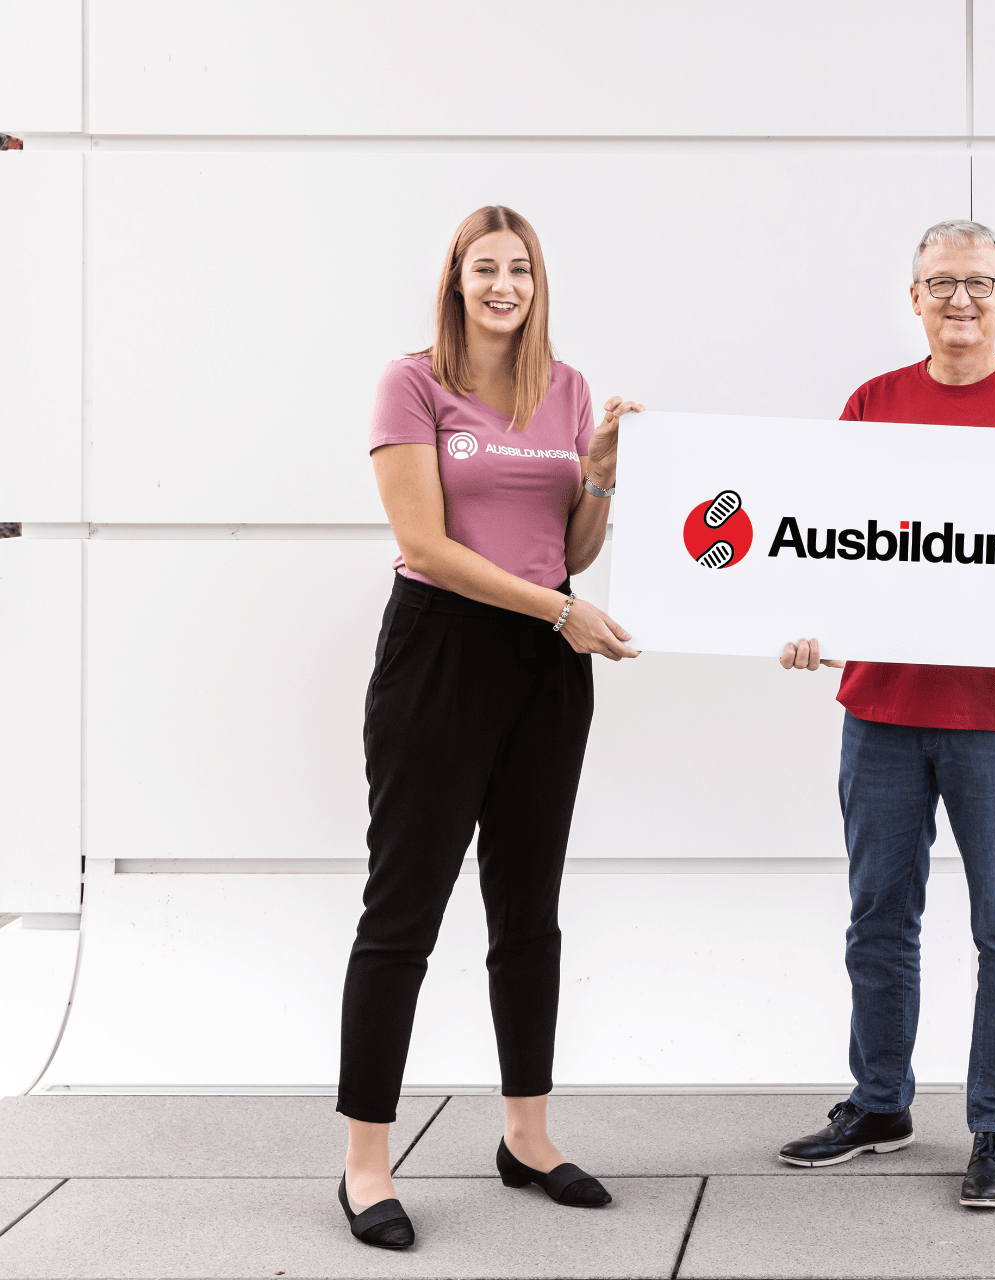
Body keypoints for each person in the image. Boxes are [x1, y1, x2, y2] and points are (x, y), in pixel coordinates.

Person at [775, 220, 995, 1209]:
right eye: (941, 282)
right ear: (912, 296)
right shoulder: (872, 404)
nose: (960, 298)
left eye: (978, 282)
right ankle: (880, 1101)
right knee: (879, 917)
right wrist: (804, 622)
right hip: (882, 703)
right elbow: (826, 538)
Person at [336, 205, 642, 1249]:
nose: (504, 284)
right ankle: (367, 1160)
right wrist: (558, 607)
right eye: (486, 267)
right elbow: (424, 538)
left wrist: (599, 463)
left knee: (529, 903)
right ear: (456, 279)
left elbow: (575, 544)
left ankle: (528, 1135)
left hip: (547, 668)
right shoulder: (411, 382)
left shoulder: (566, 388)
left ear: (537, 282)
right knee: (404, 906)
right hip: (442, 651)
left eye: (520, 268)